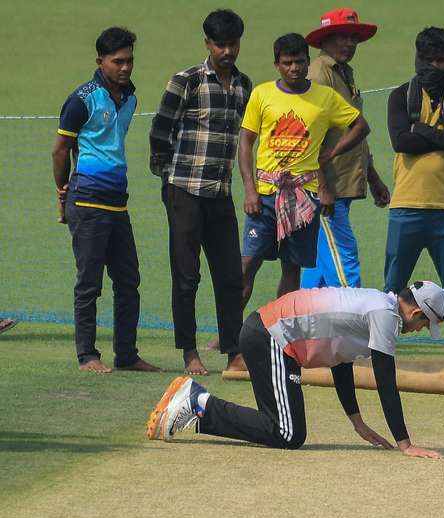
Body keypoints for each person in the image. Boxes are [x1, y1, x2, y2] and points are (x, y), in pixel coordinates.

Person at [146, 281, 444, 460]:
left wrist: (358, 423)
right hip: (270, 336)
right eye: (422, 325)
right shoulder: (386, 315)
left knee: (286, 430)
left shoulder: (378, 304)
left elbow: (340, 364)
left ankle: (197, 408)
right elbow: (385, 380)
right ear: (416, 313)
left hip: (271, 336)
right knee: (287, 433)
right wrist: (405, 444)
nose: (417, 330)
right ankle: (199, 405)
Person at [236, 33, 370, 334]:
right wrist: (249, 189)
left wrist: (330, 153)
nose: (293, 68)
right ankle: (229, 334)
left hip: (303, 196)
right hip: (266, 194)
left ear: (307, 62)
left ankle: (279, 333)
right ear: (276, 65)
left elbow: (360, 126)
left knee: (291, 268)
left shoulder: (325, 98)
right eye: (287, 63)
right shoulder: (262, 94)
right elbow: (245, 141)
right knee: (247, 264)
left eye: (299, 62)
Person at [51, 27, 159, 374]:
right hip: (87, 202)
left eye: (129, 61)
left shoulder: (131, 98)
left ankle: (126, 355)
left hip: (117, 203)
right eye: (118, 61)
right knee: (89, 283)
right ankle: (88, 356)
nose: (125, 67)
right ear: (100, 61)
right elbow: (60, 150)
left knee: (128, 281)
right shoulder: (82, 99)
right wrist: (62, 190)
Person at [149, 9, 251, 376]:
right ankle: (190, 352)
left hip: (220, 193)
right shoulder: (187, 81)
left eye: (233, 43)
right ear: (207, 43)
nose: (227, 51)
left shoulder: (244, 86)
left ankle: (234, 351)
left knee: (229, 276)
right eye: (220, 44)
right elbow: (160, 133)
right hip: (185, 191)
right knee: (186, 277)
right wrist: (169, 184)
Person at [384, 27, 444, 365]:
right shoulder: (400, 96)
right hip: (405, 206)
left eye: (439, 60)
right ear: (416, 58)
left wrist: (422, 131)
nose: (432, 67)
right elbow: (400, 142)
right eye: (426, 60)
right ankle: (381, 344)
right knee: (392, 286)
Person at [300, 9, 391, 289]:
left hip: (340, 184)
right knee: (344, 257)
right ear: (325, 39)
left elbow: (351, 133)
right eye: (342, 36)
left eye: (353, 37)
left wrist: (372, 177)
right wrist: (322, 186)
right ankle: (355, 322)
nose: (350, 43)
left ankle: (298, 327)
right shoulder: (319, 75)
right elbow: (309, 138)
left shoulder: (343, 73)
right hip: (325, 188)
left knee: (317, 269)